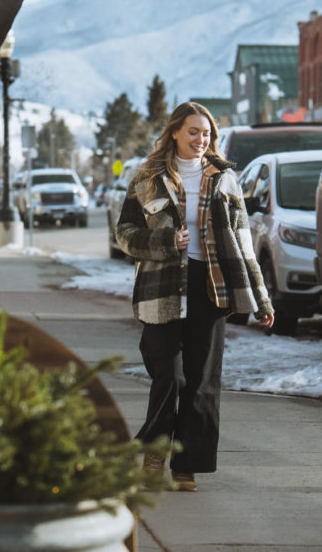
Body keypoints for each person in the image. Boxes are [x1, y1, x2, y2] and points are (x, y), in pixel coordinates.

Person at [115, 102, 274, 493]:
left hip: (210, 286)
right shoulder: (148, 177)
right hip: (162, 286)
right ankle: (154, 452)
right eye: (193, 132)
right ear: (174, 133)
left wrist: (262, 299)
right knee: (169, 375)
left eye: (206, 133)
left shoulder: (224, 179)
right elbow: (125, 234)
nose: (201, 139)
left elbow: (242, 242)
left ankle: (186, 467)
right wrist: (166, 241)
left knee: (202, 380)